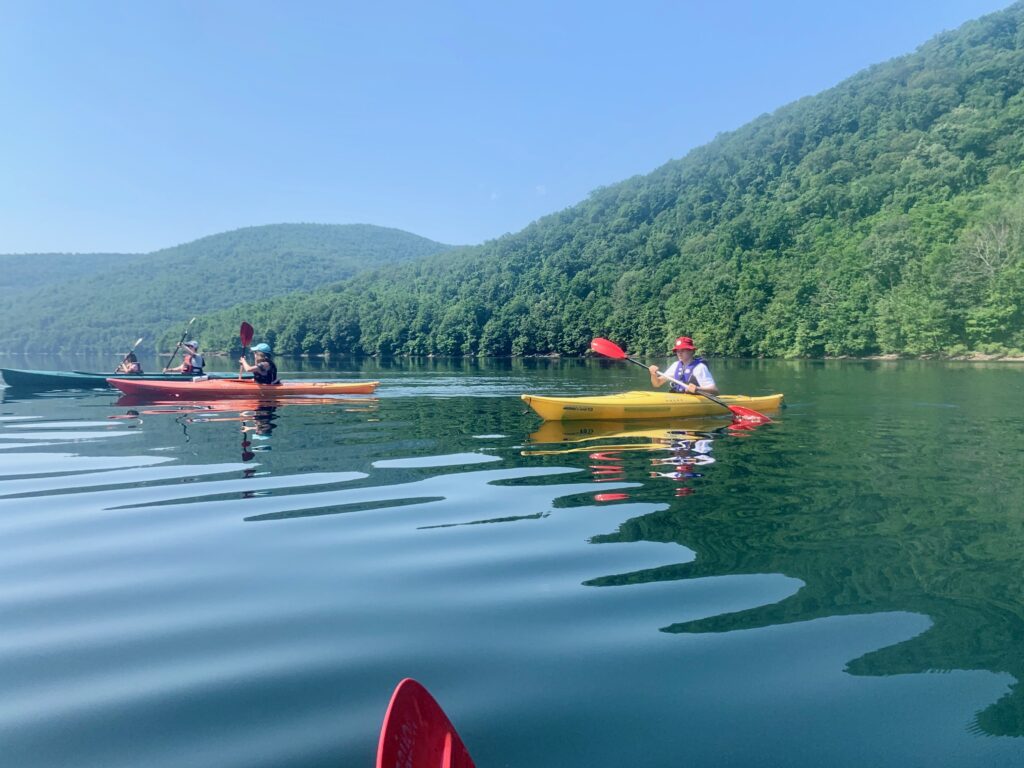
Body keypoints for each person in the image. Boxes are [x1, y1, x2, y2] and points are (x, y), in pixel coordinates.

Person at [649, 336, 719, 395]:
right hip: (678, 397)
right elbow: (657, 384)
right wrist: (653, 374)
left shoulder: (700, 367)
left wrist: (697, 389)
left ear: (691, 351)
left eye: (682, 350)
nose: (679, 353)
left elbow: (715, 390)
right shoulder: (675, 365)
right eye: (677, 351)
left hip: (694, 401)